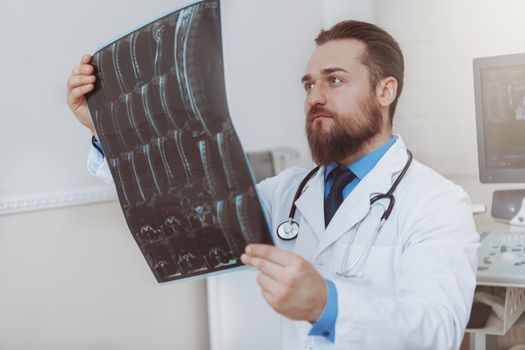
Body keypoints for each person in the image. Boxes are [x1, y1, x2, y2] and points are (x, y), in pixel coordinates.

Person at [67, 20, 479, 350]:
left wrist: (328, 305)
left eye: (334, 80)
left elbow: (437, 331)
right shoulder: (289, 190)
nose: (315, 96)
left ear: (385, 90)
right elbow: (186, 215)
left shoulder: (437, 202)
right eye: (309, 84)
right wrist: (110, 127)